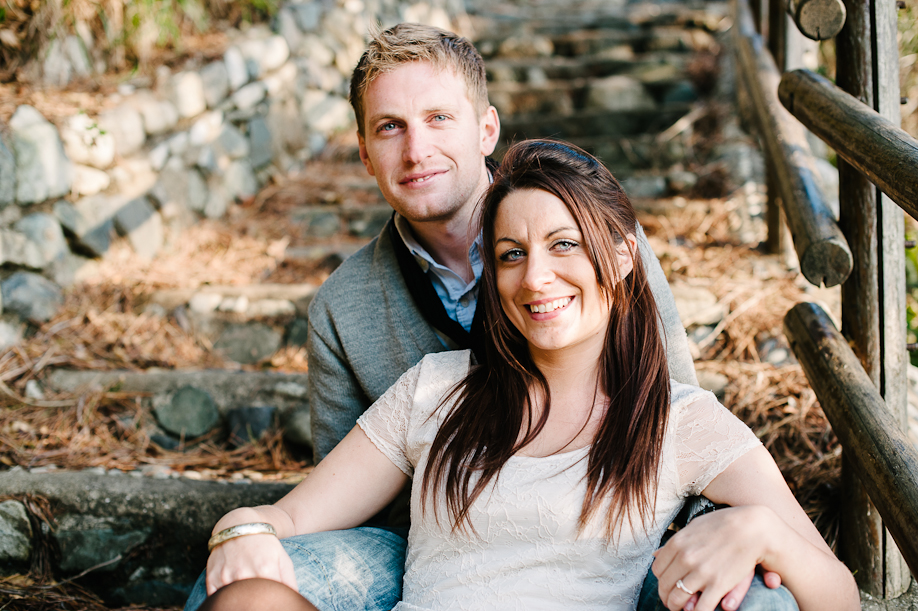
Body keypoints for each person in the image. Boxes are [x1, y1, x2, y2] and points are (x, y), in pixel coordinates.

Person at [184, 23, 767, 611]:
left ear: (487, 128)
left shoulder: (596, 242)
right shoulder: (348, 312)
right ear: (363, 152)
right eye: (391, 127)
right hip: (429, 545)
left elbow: (667, 407)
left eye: (439, 118)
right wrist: (245, 528)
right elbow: (342, 499)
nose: (416, 150)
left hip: (615, 535)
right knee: (234, 585)